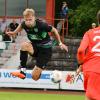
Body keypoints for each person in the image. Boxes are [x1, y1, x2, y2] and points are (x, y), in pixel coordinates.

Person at [6, 8, 68, 81]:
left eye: (30, 19)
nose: (28, 22)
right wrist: (14, 33)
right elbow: (21, 26)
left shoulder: (42, 25)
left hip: (45, 51)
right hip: (35, 47)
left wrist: (60, 43)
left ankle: (40, 70)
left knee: (34, 77)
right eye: (26, 20)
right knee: (24, 45)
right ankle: (22, 72)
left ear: (34, 18)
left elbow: (54, 30)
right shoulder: (24, 24)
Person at [76, 11, 100, 100]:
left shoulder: (89, 33)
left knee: (90, 97)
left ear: (98, 20)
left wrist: (81, 64)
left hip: (91, 69)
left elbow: (81, 50)